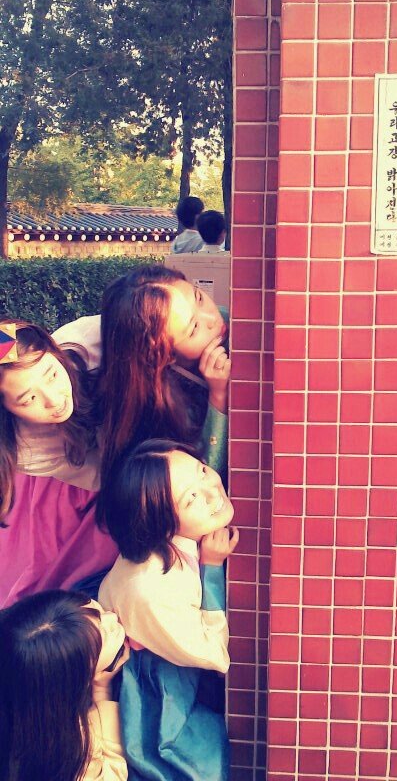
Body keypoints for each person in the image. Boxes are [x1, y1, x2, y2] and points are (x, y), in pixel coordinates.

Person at [97, 439, 239, 781]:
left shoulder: (169, 544)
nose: (212, 490)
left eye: (202, 470)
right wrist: (212, 568)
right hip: (156, 698)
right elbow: (215, 654)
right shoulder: (152, 589)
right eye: (191, 498)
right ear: (161, 523)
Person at [53, 264, 230, 485]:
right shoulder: (158, 406)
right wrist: (218, 398)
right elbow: (202, 483)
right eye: (194, 328)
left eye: (199, 298)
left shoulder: (225, 320)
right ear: (164, 355)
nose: (212, 317)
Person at [0, 320, 117, 607]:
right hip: (90, 472)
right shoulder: (30, 450)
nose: (54, 400)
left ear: (54, 350)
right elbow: (103, 476)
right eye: (28, 399)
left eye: (52, 375)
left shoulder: (87, 340)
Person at [0, 588, 129, 781]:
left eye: (98, 611)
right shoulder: (66, 750)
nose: (112, 617)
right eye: (106, 633)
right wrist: (102, 691)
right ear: (77, 677)